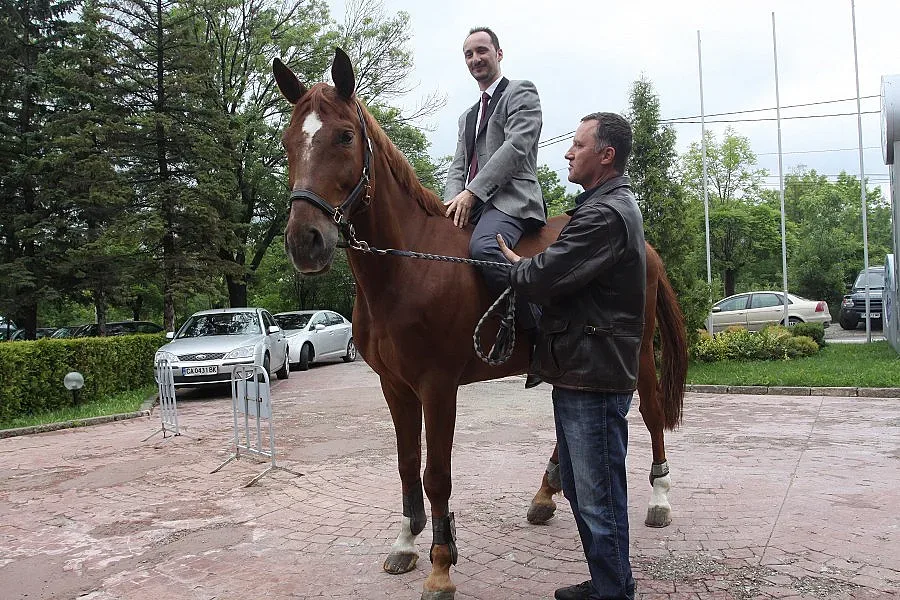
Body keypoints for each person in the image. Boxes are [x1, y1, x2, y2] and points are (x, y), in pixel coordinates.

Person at [497, 112, 644, 600]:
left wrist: (518, 268)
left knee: (598, 496)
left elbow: (547, 274)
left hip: (593, 374)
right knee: (584, 491)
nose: (567, 152)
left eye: (577, 145)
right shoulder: (602, 207)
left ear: (606, 155)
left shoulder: (604, 215)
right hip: (581, 369)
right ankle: (609, 582)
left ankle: (615, 594)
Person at [443, 27, 546, 368]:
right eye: (469, 54)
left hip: (513, 201)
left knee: (484, 248)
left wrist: (472, 193)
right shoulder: (466, 117)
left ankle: (542, 325)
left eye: (482, 51)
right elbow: (458, 166)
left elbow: (515, 149)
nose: (476, 59)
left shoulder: (521, 93)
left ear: (498, 54)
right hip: (477, 203)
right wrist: (447, 206)